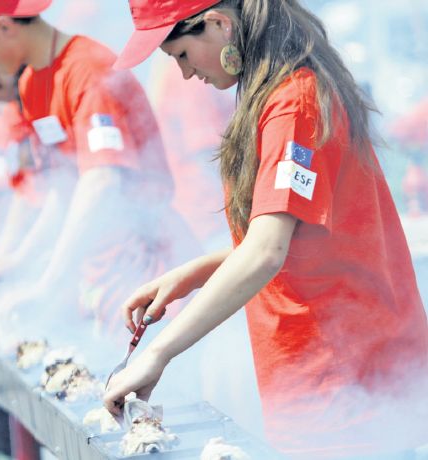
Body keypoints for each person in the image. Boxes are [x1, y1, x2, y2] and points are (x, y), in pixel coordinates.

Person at [104, 0, 428, 457]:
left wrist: (158, 354)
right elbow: (295, 238)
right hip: (323, 386)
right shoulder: (281, 94)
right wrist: (194, 274)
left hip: (348, 389)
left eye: (181, 55)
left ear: (218, 23)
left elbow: (266, 251)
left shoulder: (294, 103)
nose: (185, 74)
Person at [0, 0, 197, 333]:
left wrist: (48, 284)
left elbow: (101, 183)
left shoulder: (88, 69)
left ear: (4, 27)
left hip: (151, 274)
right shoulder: (31, 85)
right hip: (100, 278)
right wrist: (17, 261)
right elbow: (63, 191)